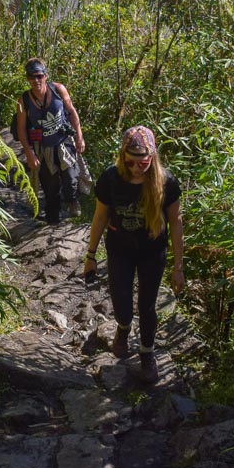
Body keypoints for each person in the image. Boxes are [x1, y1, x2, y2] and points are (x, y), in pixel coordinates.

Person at [83, 126, 185, 383]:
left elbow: (176, 223)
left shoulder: (167, 183)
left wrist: (178, 267)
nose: (138, 166)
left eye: (144, 161)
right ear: (123, 156)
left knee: (147, 305)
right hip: (120, 249)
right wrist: (90, 255)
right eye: (132, 160)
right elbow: (100, 216)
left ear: (153, 157)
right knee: (122, 301)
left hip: (152, 251)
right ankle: (123, 328)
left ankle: (147, 354)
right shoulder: (111, 178)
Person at [15, 58, 85, 223]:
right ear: (27, 79)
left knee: (70, 176)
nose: (36, 80)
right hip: (42, 147)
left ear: (45, 76)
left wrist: (79, 136)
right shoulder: (23, 100)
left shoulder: (58, 90)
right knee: (49, 184)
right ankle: (53, 217)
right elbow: (21, 128)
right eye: (32, 77)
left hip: (63, 142)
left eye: (39, 76)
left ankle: (72, 203)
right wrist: (29, 153)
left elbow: (72, 112)